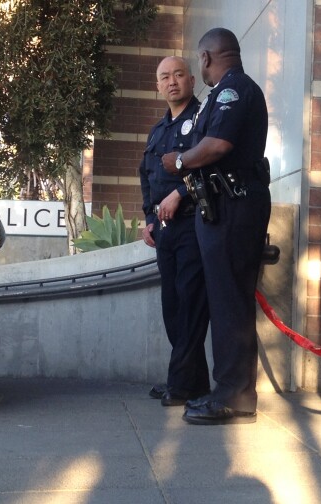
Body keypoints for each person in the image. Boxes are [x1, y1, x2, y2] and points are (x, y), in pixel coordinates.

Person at [162, 28, 271, 425]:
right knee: (225, 302)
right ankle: (228, 389)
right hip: (222, 207)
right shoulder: (226, 90)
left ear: (206, 58)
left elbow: (218, 146)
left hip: (235, 207)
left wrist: (177, 161)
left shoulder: (234, 89)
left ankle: (234, 396)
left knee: (229, 304)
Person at [139, 56, 210, 407]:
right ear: (158, 86)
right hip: (164, 230)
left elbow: (212, 163)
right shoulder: (158, 131)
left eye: (178, 74)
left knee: (190, 304)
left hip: (193, 223)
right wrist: (149, 218)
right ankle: (192, 382)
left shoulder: (202, 119)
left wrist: (181, 193)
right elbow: (146, 176)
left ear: (192, 79)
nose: (171, 82)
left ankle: (180, 383)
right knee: (173, 305)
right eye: (164, 77)